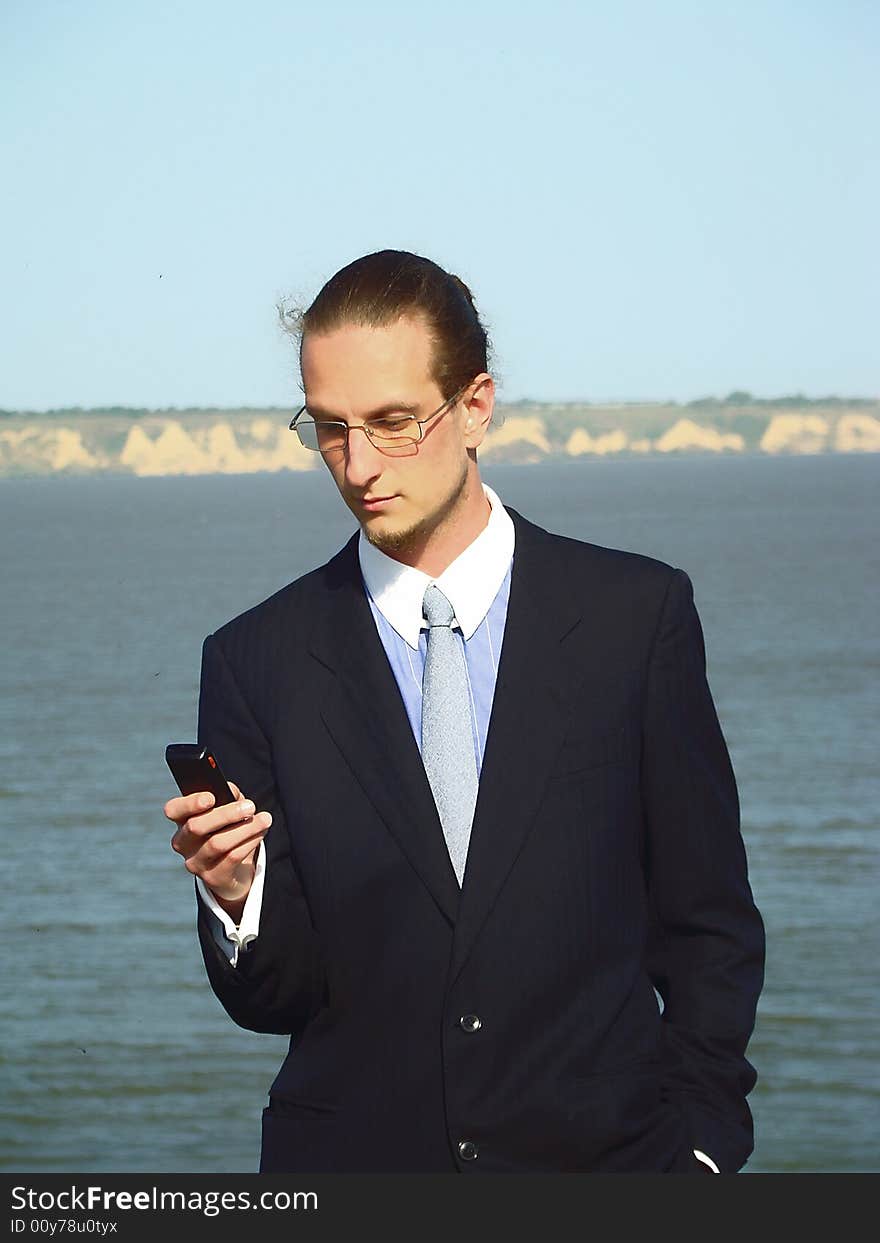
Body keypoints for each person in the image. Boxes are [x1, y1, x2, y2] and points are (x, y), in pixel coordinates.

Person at [164, 249, 765, 1174]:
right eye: (330, 428)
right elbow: (275, 997)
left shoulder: (635, 618)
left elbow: (708, 921)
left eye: (394, 423)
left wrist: (700, 1149)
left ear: (476, 405)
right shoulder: (254, 660)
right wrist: (238, 898)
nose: (358, 464)